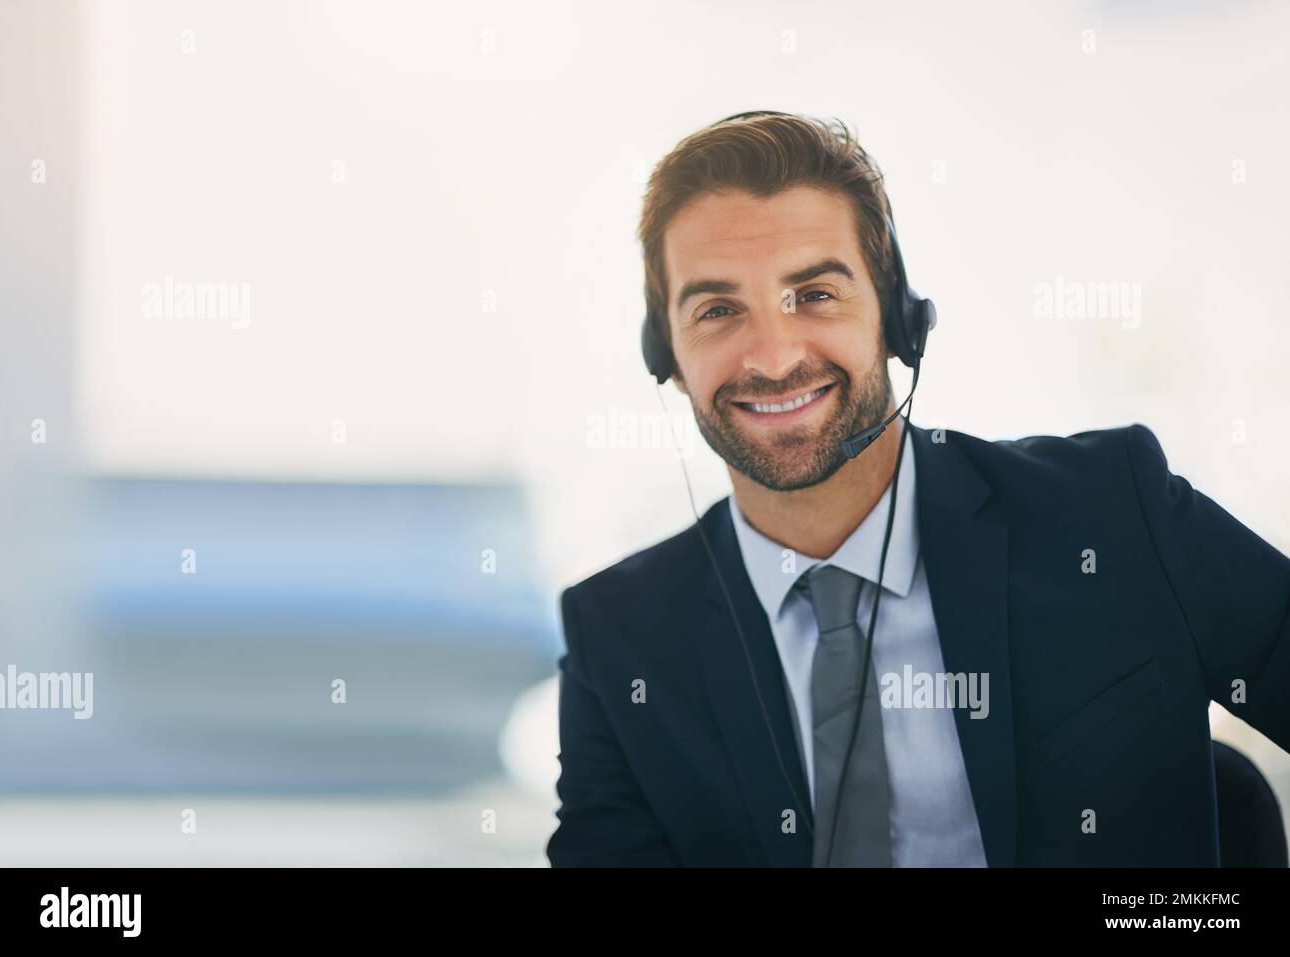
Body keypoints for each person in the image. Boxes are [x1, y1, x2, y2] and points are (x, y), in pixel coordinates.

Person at [546, 111, 1289, 866]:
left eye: (815, 293)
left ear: (899, 320)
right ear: (664, 354)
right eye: (717, 310)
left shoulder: (1115, 512)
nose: (771, 357)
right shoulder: (617, 640)